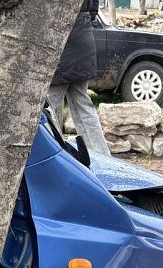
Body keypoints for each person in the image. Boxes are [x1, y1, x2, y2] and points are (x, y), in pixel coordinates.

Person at [48, 0, 111, 156]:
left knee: (51, 108)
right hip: (83, 42)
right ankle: (101, 155)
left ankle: (54, 154)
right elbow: (93, 11)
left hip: (59, 46)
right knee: (83, 105)